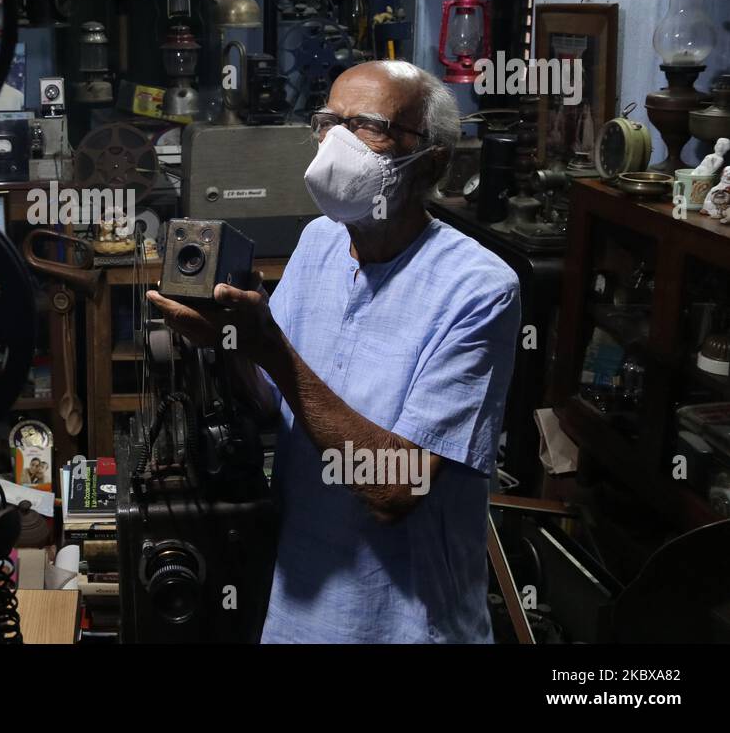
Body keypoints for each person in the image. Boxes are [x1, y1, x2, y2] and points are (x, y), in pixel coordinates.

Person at [148, 61, 521, 643]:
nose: (337, 143)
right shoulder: (320, 240)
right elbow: (271, 402)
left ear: (435, 158)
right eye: (328, 122)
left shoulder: (478, 288)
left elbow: (394, 489)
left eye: (367, 125)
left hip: (402, 621)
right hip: (301, 602)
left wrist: (270, 349)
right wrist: (224, 340)